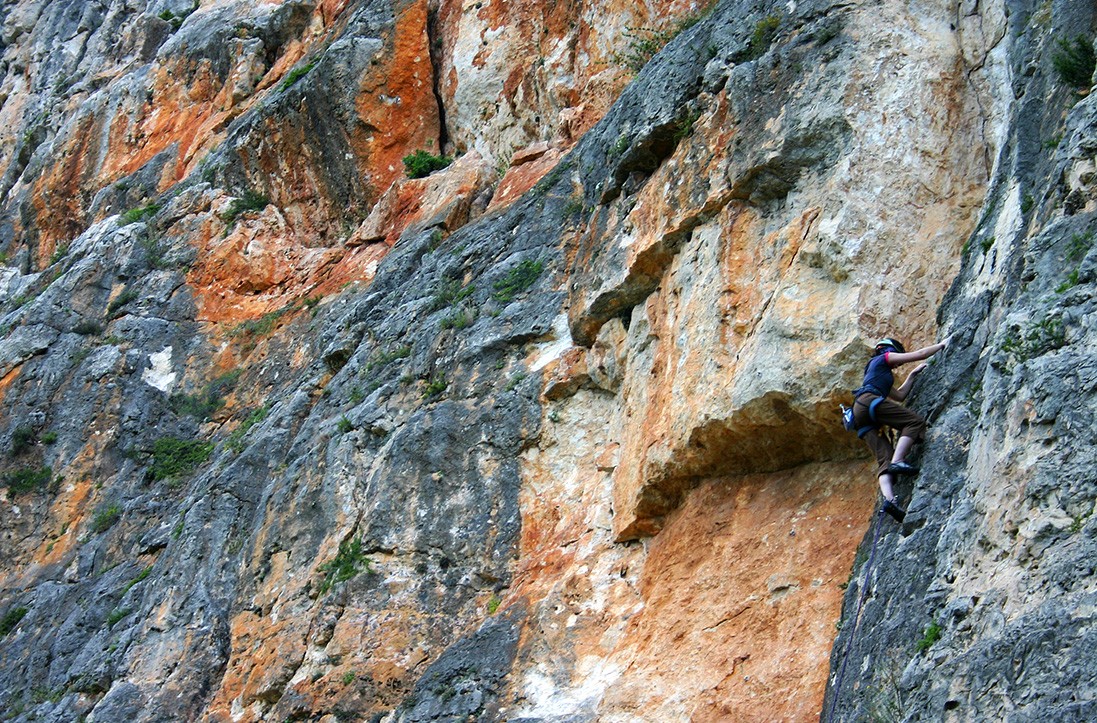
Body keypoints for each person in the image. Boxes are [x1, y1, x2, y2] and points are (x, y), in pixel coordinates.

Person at [852, 336, 948, 522]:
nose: (896, 365)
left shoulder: (876, 374)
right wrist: (942, 345)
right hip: (869, 402)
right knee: (914, 422)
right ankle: (899, 460)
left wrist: (912, 375)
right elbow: (919, 354)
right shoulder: (883, 359)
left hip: (859, 413)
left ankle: (890, 500)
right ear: (888, 350)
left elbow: (900, 395)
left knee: (884, 459)